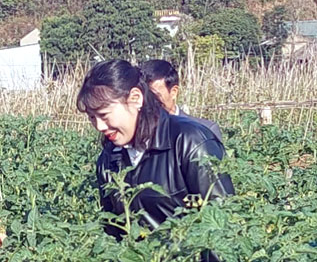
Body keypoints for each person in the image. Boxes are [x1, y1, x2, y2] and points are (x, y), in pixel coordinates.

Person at [78, 59, 234, 238]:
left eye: (104, 115)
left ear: (135, 98)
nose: (99, 126)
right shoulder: (109, 158)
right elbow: (112, 231)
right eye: (92, 117)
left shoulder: (189, 140)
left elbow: (222, 223)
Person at [139, 59, 223, 141]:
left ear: (173, 92)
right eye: (141, 96)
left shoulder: (205, 131)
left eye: (153, 96)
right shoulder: (133, 133)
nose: (146, 102)